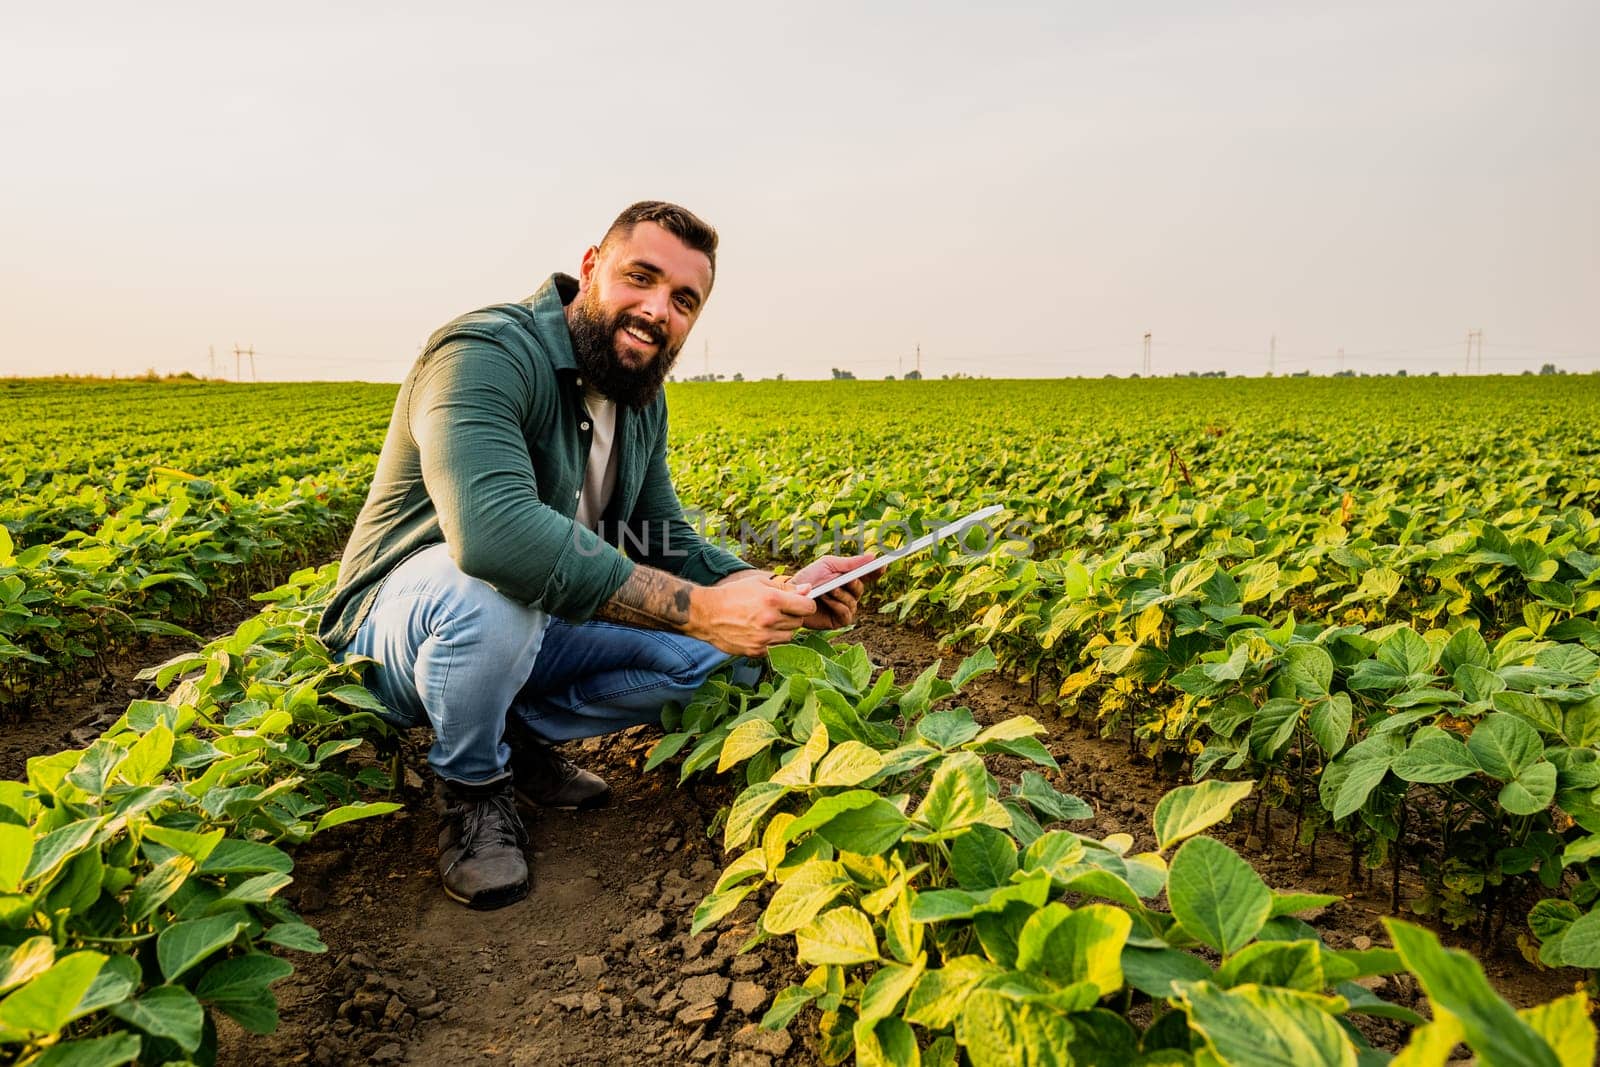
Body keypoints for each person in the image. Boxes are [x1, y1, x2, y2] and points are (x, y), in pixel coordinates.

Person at [318, 201, 873, 909]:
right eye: (640, 277)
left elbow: (662, 536)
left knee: (736, 653)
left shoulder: (639, 399)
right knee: (491, 592)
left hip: (530, 622)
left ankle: (509, 736)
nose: (656, 310)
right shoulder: (482, 353)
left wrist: (773, 588)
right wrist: (700, 609)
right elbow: (494, 536)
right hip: (399, 628)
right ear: (589, 268)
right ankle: (475, 789)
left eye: (683, 300)